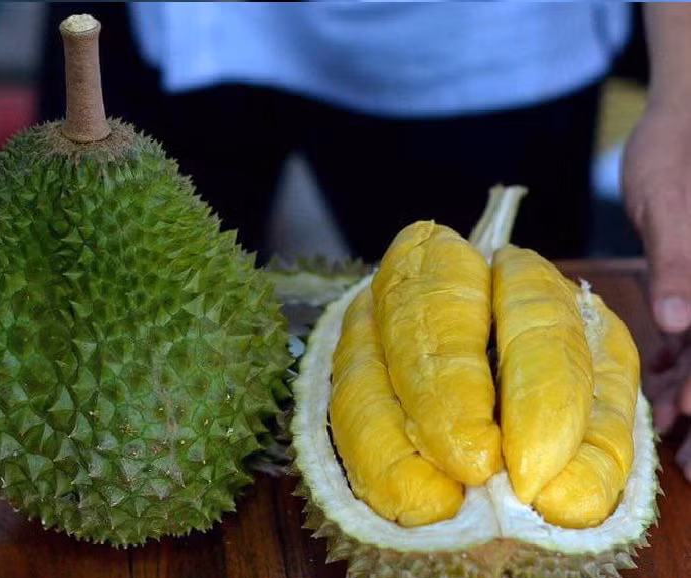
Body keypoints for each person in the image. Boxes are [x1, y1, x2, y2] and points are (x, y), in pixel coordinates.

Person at [36, 2, 691, 484]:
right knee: (119, 371)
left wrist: (683, 98)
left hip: (474, 42)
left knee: (507, 368)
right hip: (157, 30)